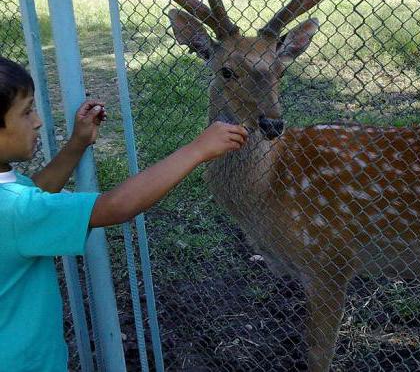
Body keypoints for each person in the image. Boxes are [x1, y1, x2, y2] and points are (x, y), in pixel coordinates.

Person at [0, 56, 248, 371]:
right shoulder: (12, 208)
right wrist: (197, 149)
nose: (37, 121)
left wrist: (77, 143)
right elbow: (113, 206)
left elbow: (36, 193)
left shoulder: (11, 194)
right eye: (26, 112)